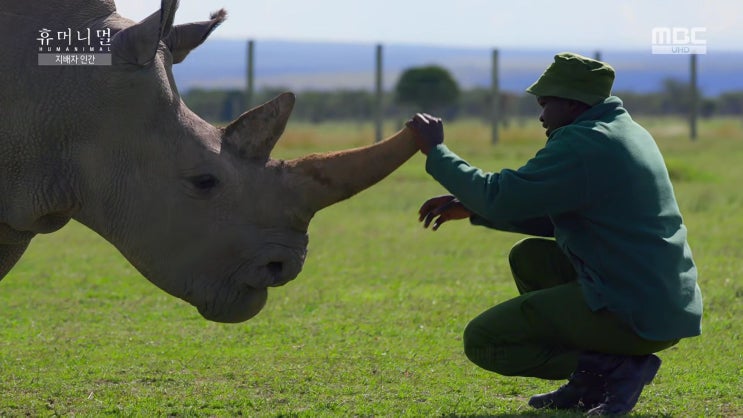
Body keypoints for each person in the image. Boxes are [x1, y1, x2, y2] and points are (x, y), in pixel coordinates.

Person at [404, 52, 703, 415]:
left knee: (485, 340)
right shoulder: (623, 130)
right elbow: (557, 214)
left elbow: (499, 195)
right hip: (657, 300)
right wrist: (473, 209)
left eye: (546, 104)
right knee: (530, 258)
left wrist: (435, 150)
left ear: (574, 104)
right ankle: (589, 386)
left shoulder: (584, 142)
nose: (542, 115)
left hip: (637, 311)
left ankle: (616, 368)